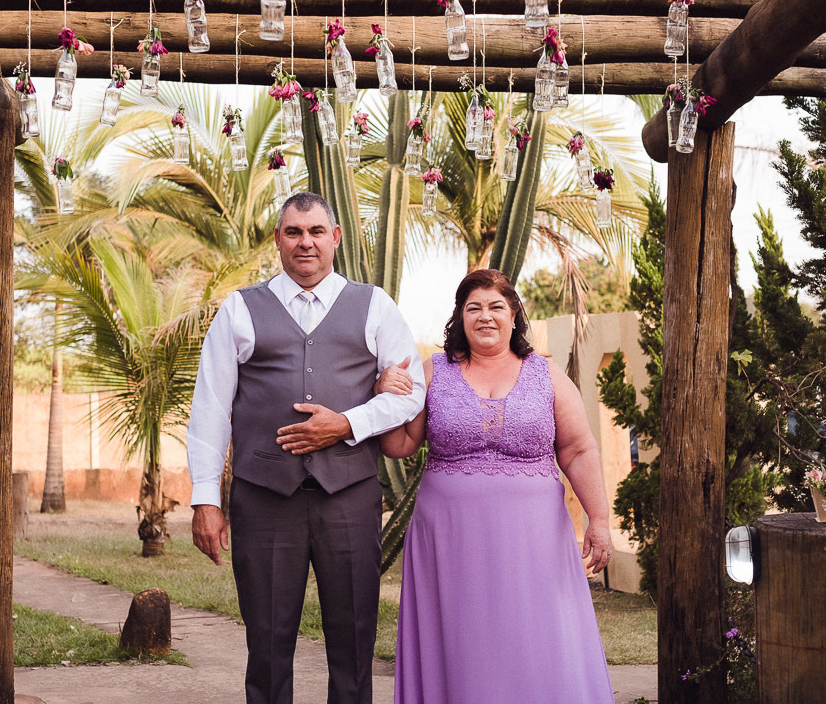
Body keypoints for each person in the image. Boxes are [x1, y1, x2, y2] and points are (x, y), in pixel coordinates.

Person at [185, 191, 425, 704]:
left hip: (350, 495)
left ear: (335, 238)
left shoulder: (374, 305)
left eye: (316, 231)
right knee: (267, 646)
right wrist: (205, 498)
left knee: (354, 639)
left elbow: (413, 394)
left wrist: (346, 424)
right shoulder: (240, 309)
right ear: (278, 240)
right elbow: (209, 406)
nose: (306, 243)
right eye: (294, 232)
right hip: (265, 497)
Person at [376, 268, 615, 704]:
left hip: (535, 542)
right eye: (474, 308)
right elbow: (399, 445)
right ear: (460, 317)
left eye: (495, 307)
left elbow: (579, 450)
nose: (485, 317)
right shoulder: (433, 373)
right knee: (463, 643)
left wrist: (599, 519)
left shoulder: (547, 376)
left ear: (514, 315)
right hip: (449, 541)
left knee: (537, 637)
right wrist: (384, 395)